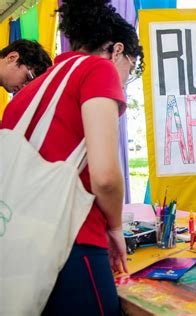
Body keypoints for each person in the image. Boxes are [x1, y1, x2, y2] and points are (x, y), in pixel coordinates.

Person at [0, 0, 143, 313]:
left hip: (19, 248)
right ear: (117, 51)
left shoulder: (26, 93)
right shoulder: (98, 70)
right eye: (129, 70)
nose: (123, 82)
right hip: (72, 241)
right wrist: (116, 229)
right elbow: (105, 176)